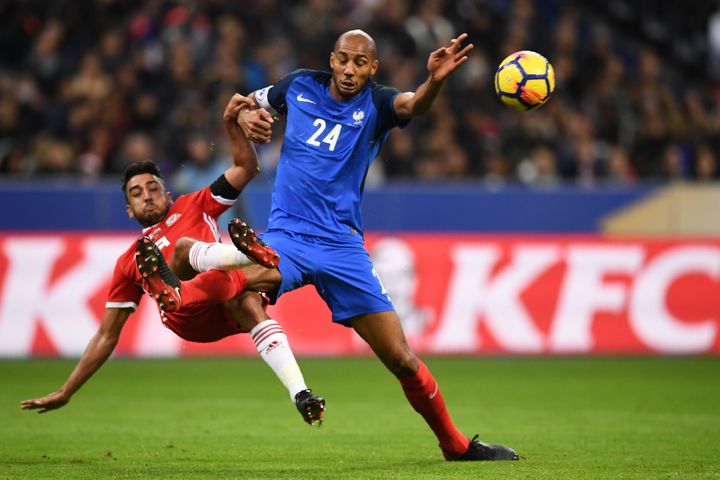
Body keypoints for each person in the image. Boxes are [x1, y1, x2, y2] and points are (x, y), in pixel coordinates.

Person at [235, 30, 518, 460]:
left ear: (374, 68)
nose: (350, 70)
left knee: (402, 359)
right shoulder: (296, 86)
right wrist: (243, 117)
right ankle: (180, 286)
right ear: (332, 59)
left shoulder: (379, 104)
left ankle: (456, 447)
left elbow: (414, 104)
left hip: (342, 248)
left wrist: (434, 81)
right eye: (344, 60)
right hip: (286, 237)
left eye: (360, 63)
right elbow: (243, 104)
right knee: (236, 284)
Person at [20, 94, 325, 426]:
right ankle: (233, 258)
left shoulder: (196, 203)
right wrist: (67, 390)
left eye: (152, 188)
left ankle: (301, 394)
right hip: (188, 318)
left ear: (168, 193)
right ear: (128, 210)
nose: (146, 195)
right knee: (190, 251)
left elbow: (246, 167)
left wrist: (230, 126)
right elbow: (107, 335)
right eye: (136, 194)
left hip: (224, 294)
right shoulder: (131, 260)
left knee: (251, 301)